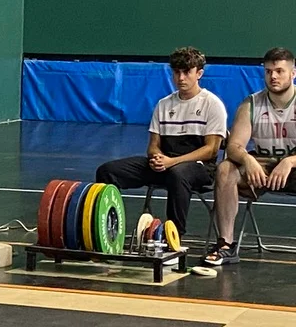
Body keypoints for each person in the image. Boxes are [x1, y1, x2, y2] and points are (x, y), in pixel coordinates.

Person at [95, 47, 227, 237]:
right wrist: (157, 157)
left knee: (178, 173)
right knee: (107, 171)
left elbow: (211, 150)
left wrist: (172, 162)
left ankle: (174, 236)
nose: (181, 78)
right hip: (165, 165)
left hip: (200, 168)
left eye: (186, 72)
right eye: (177, 72)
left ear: (199, 74)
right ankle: (106, 229)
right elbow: (153, 145)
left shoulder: (212, 104)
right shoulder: (163, 105)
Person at [204, 47, 296, 265]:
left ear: (293, 73)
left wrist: (290, 161)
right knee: (225, 169)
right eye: (268, 71)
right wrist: (247, 159)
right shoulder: (251, 104)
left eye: (279, 71)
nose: (273, 76)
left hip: (293, 165)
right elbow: (234, 146)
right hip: (262, 165)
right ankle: (226, 245)